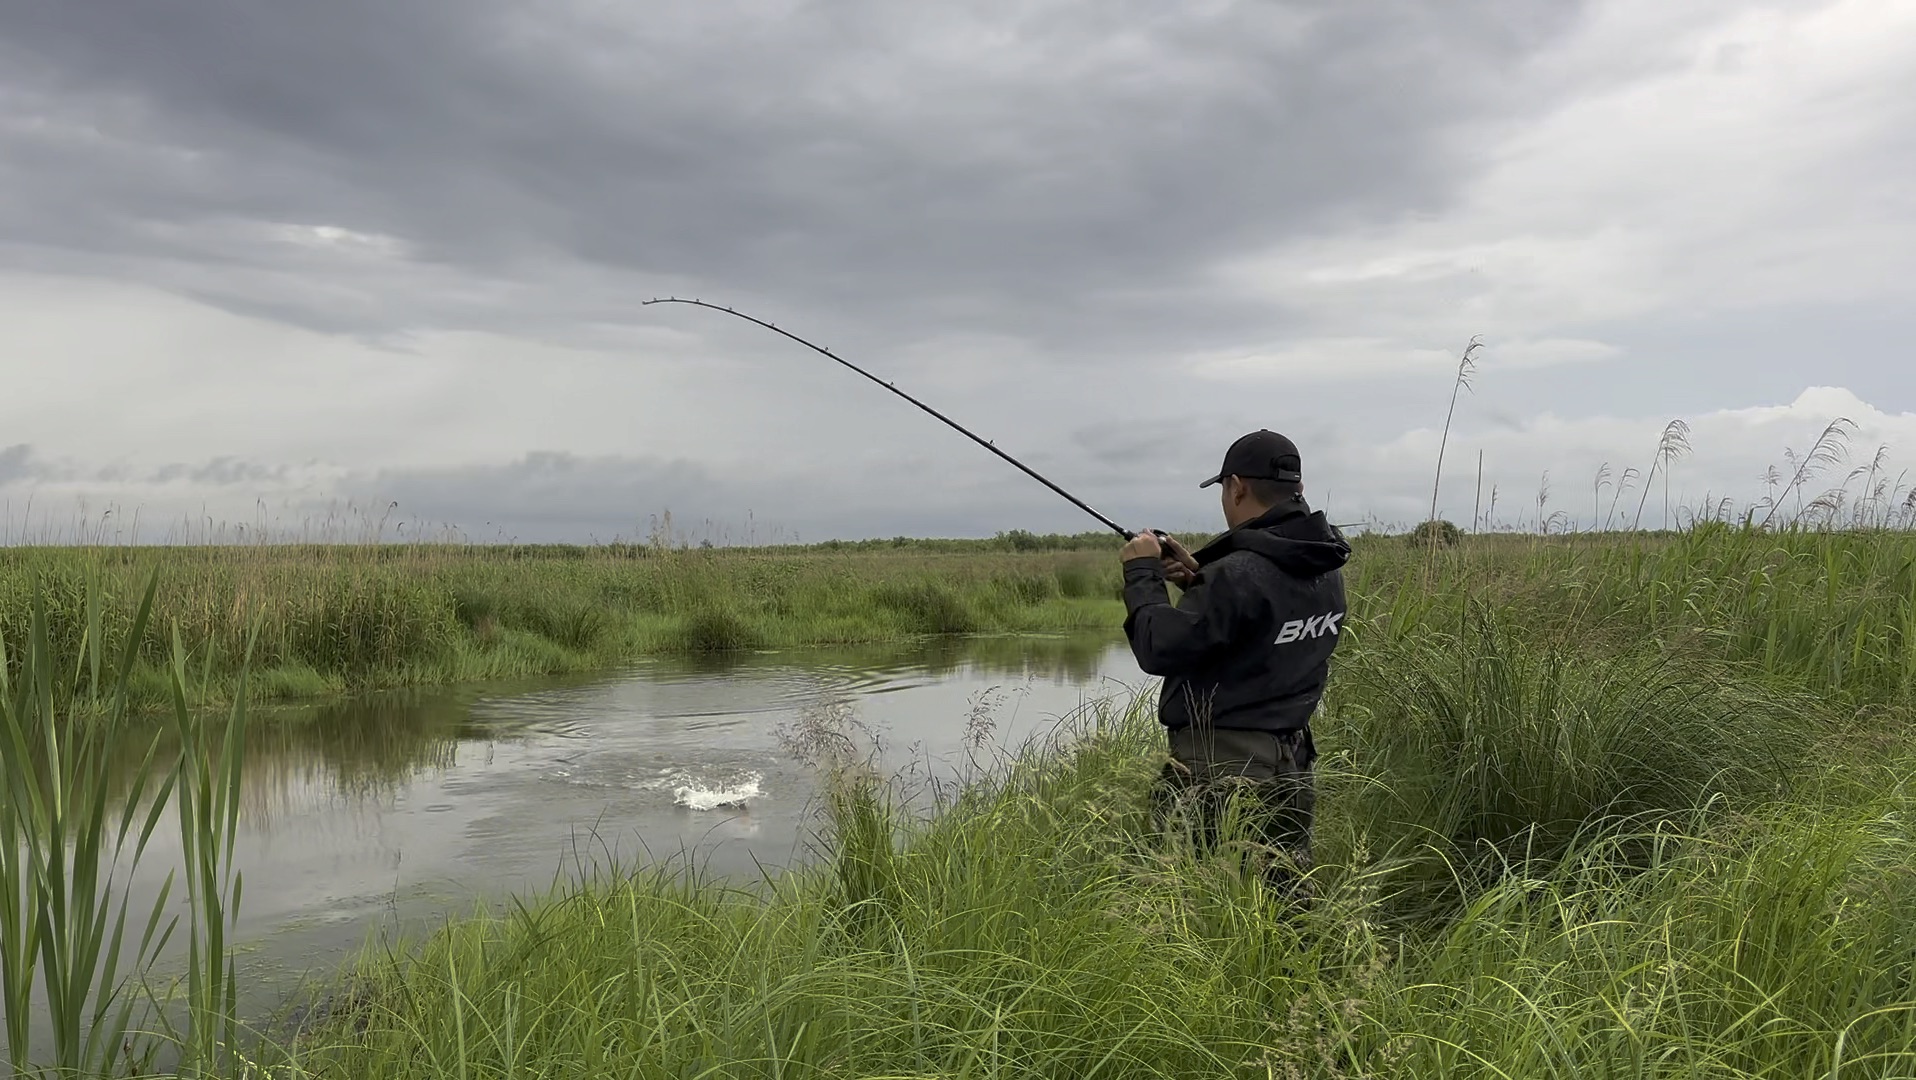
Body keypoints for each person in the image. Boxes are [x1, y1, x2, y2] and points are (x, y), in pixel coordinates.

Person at [1116, 429, 1351, 899]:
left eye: (1225, 489)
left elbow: (1158, 648)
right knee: (1282, 902)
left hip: (1218, 771)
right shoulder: (1323, 564)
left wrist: (1142, 574)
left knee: (1192, 904)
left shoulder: (1238, 575)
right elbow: (1257, 623)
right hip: (1293, 766)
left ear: (1237, 486)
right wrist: (1199, 577)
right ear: (1297, 490)